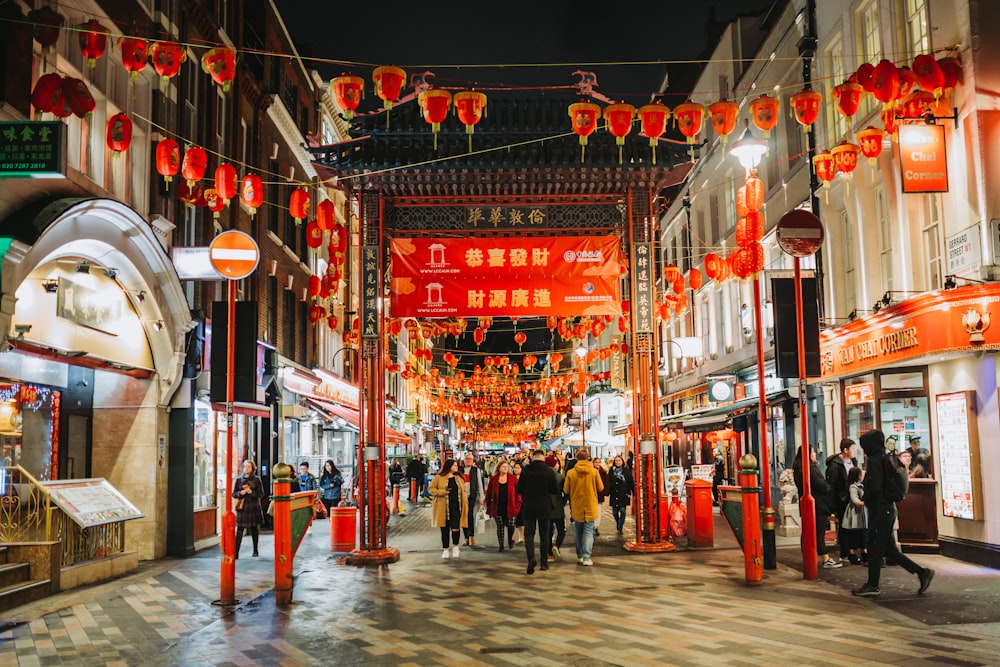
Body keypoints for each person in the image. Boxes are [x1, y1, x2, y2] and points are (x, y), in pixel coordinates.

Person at [852, 429, 934, 597]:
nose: (863, 449)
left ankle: (873, 585)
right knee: (889, 549)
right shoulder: (886, 458)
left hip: (880, 509)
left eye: (864, 445)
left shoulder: (875, 461)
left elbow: (875, 486)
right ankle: (921, 572)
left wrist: (866, 498)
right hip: (888, 508)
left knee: (874, 547)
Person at [792, 446, 842, 569]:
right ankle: (825, 558)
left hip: (806, 504)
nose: (815, 454)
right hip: (818, 504)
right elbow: (821, 485)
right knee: (819, 532)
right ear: (808, 454)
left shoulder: (798, 469)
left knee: (808, 531)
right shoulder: (810, 468)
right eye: (813, 452)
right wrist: (829, 487)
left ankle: (808, 555)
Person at [516, 450, 559, 574]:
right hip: (544, 506)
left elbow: (519, 489)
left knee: (529, 534)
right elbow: (555, 490)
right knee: (544, 534)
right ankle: (544, 563)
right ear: (543, 458)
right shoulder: (549, 471)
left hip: (529, 505)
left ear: (532, 458)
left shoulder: (526, 470)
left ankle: (531, 559)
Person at [563, 447, 603, 566]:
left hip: (577, 505)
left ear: (576, 458)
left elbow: (566, 490)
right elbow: (600, 488)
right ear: (588, 458)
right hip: (590, 505)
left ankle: (579, 555)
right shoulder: (594, 472)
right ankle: (586, 556)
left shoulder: (570, 473)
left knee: (578, 531)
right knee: (589, 531)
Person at [825, 438, 857, 562]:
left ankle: (852, 549)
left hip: (853, 498)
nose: (854, 451)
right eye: (853, 448)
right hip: (842, 500)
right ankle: (845, 552)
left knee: (853, 526)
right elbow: (832, 486)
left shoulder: (853, 461)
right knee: (844, 527)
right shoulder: (835, 465)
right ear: (845, 450)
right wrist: (832, 505)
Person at [429, 458, 467, 559]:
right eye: (454, 465)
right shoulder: (439, 477)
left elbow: (464, 490)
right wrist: (442, 492)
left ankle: (455, 547)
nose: (456, 467)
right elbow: (431, 489)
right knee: (444, 529)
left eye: (456, 465)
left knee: (456, 528)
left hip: (456, 506)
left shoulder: (459, 477)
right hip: (443, 507)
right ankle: (445, 549)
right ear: (448, 467)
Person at [485, 461, 521, 551]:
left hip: (511, 506)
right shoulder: (494, 479)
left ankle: (510, 540)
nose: (505, 468)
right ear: (499, 468)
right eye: (503, 467)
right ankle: (501, 545)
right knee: (500, 526)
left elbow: (518, 493)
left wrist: (518, 504)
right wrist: (488, 505)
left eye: (506, 466)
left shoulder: (513, 479)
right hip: (498, 506)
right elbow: (489, 493)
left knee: (511, 525)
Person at [232, 459, 265, 559]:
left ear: (252, 468)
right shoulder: (238, 480)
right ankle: (236, 551)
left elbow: (261, 494)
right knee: (240, 530)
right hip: (243, 508)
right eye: (245, 466)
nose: (246, 468)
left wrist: (252, 492)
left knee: (254, 529)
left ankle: (255, 549)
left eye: (248, 467)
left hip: (254, 507)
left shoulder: (256, 479)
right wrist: (240, 493)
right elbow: (233, 494)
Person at [841, 467, 867, 565]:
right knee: (855, 533)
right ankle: (852, 553)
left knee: (863, 532)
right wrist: (862, 503)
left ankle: (863, 551)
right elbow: (854, 499)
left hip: (861, 512)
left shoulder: (860, 486)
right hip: (855, 513)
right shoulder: (853, 487)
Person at [459, 452, 485, 547]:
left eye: (470, 459)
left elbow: (479, 484)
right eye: (467, 459)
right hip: (461, 497)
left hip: (472, 496)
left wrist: (482, 497)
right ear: (464, 460)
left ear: (473, 460)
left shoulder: (475, 470)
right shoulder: (459, 470)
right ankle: (466, 537)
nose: (468, 460)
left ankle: (471, 536)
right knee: (463, 516)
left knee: (470, 515)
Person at [545, 455, 567, 560]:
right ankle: (556, 546)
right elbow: (566, 492)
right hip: (558, 506)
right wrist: (563, 502)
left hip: (545, 507)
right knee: (561, 529)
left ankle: (549, 554)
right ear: (554, 464)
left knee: (548, 531)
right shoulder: (560, 477)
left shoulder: (541, 476)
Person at [607, 455, 634, 535]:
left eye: (619, 460)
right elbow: (608, 481)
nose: (618, 462)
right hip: (614, 493)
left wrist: (633, 491)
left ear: (622, 461)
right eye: (616, 460)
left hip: (623, 493)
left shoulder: (626, 470)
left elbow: (630, 481)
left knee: (622, 510)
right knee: (614, 512)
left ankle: (620, 526)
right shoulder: (612, 470)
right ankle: (618, 522)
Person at [593, 457, 609, 537]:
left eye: (599, 462)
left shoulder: (603, 472)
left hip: (599, 495)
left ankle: (596, 527)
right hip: (592, 495)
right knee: (592, 511)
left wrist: (604, 493)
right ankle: (593, 526)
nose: (597, 464)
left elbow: (606, 484)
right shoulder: (591, 472)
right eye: (596, 462)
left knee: (598, 511)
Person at [511, 460, 525, 545]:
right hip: (512, 501)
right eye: (514, 468)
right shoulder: (511, 478)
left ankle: (521, 536)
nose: (516, 469)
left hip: (522, 501)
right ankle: (511, 536)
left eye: (518, 468)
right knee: (512, 520)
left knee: (521, 519)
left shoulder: (524, 479)